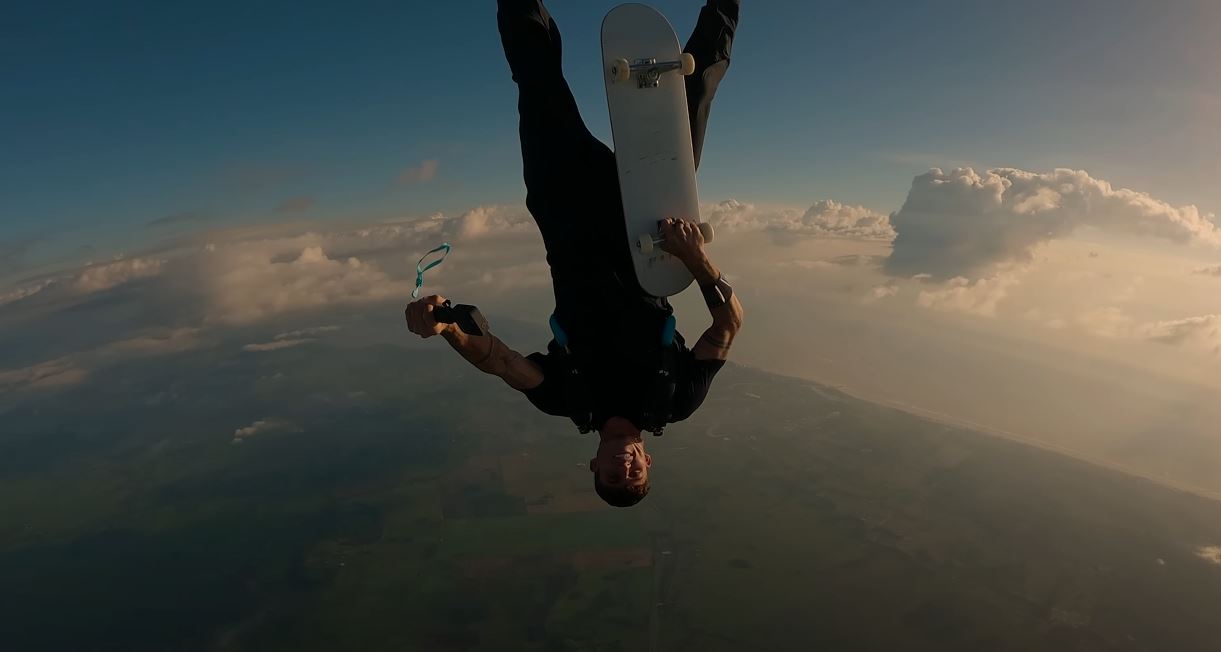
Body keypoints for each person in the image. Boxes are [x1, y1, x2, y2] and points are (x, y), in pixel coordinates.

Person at [406, 0, 743, 507]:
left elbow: (499, 362)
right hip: (651, 227)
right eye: (634, 476)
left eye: (612, 477)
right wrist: (696, 259)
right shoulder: (675, 399)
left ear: (594, 466)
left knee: (537, 83)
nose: (623, 468)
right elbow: (727, 327)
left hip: (566, 214)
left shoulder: (568, 400)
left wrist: (447, 328)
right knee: (688, 90)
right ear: (648, 461)